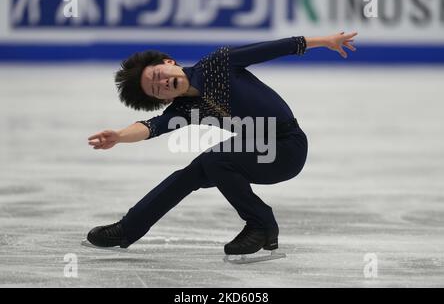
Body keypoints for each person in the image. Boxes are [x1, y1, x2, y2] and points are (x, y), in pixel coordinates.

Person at [86, 32, 358, 258]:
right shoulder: (186, 108)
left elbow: (274, 48)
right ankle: (128, 229)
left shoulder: (218, 63)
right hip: (255, 150)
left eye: (158, 74)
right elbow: (152, 126)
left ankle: (261, 224)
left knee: (215, 159)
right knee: (190, 174)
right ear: (164, 99)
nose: (163, 82)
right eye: (157, 89)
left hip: (287, 147)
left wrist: (325, 41)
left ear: (169, 61)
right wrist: (120, 136)